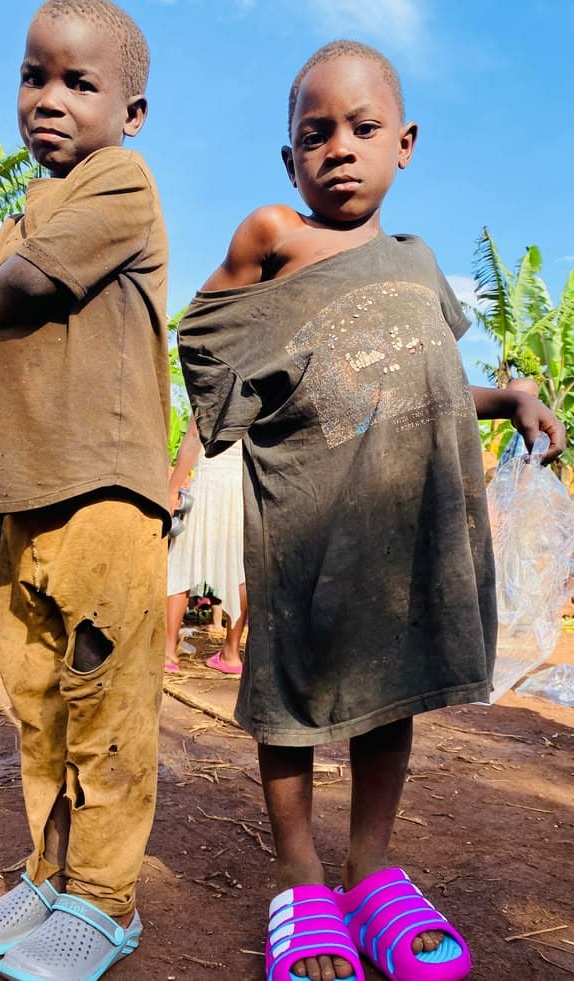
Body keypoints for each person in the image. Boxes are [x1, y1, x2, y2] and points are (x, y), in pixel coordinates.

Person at [178, 40, 566, 981]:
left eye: (363, 127)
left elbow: (423, 378)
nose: (340, 148)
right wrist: (249, 269)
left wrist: (509, 396)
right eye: (315, 135)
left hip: (405, 534)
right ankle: (300, 876)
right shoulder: (276, 236)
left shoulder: (417, 261)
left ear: (406, 142)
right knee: (292, 697)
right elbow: (205, 343)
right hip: (308, 521)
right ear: (290, 160)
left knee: (390, 695)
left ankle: (371, 866)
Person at [0, 2, 170, 979]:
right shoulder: (12, 226)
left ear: (130, 113)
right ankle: (51, 875)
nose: (49, 98)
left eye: (79, 82)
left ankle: (106, 900)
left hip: (108, 498)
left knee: (106, 705)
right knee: (38, 703)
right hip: (23, 508)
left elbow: (7, 299)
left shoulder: (121, 183)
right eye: (34, 76)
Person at [166, 416, 248, 674]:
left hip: (208, 481)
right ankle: (231, 653)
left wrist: (173, 487)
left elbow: (194, 435)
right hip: (243, 486)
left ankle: (168, 652)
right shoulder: (263, 392)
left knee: (181, 560)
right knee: (240, 568)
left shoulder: (212, 389)